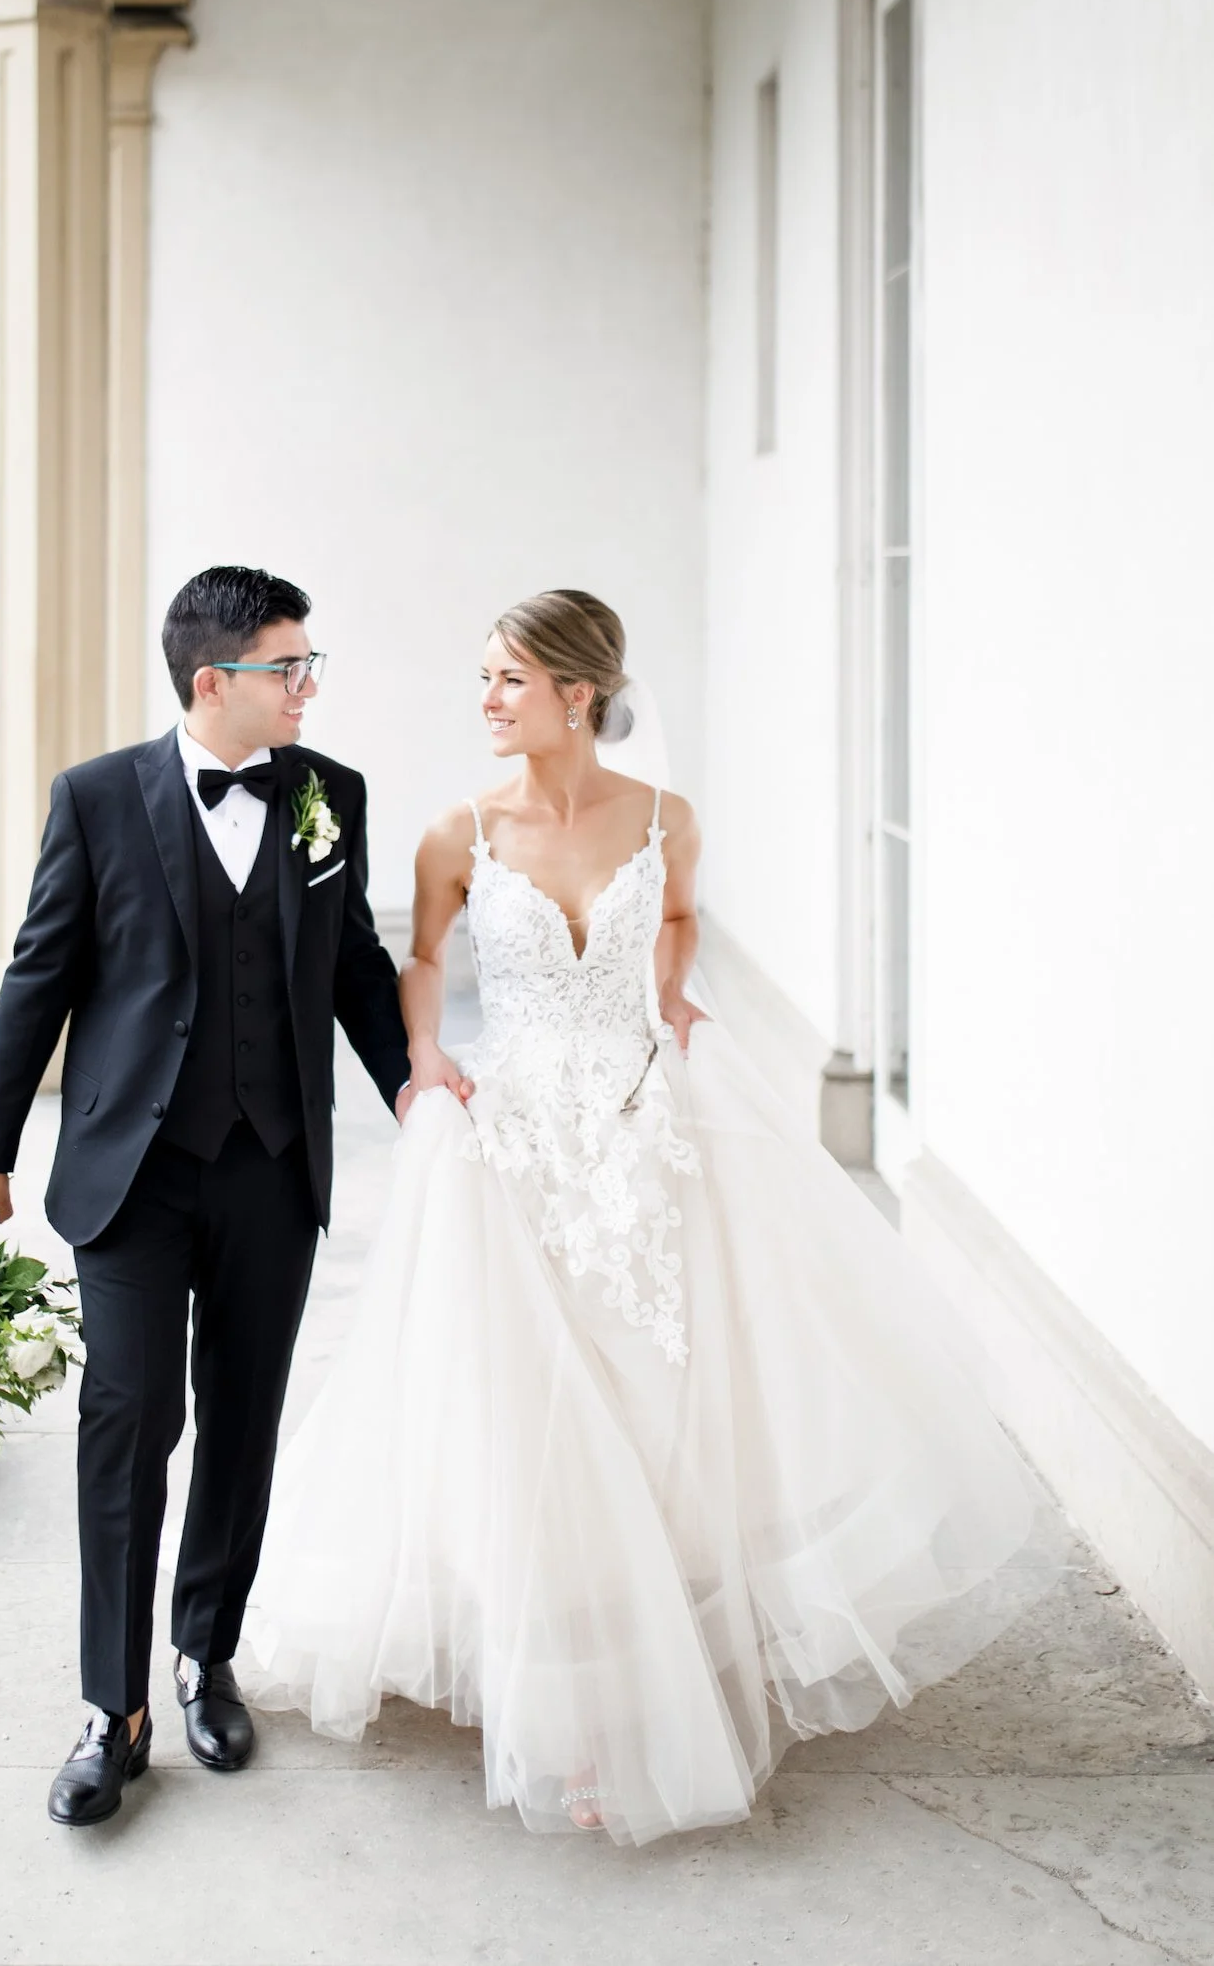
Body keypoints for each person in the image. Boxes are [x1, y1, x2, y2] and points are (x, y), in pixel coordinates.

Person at [243, 588, 1058, 1845]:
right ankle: (568, 1706)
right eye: (482, 678)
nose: (486, 700)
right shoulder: (455, 830)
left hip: (641, 1120)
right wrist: (421, 1058)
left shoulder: (665, 820)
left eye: (508, 678)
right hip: (511, 1131)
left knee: (658, 1395)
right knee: (532, 1407)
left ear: (577, 691)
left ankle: (659, 1653)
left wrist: (672, 1002)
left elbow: (672, 920)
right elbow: (420, 955)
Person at [0, 566, 428, 1827]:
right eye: (287, 667)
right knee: (129, 1419)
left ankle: (204, 1656)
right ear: (213, 683)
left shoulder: (332, 798)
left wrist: (417, 1091)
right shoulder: (97, 799)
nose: (308, 686)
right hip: (132, 1175)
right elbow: (35, 978)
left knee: (242, 1419)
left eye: (310, 664)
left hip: (273, 1166)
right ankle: (114, 1707)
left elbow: (355, 972)